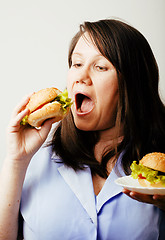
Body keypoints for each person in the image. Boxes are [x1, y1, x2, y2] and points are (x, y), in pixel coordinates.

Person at [0, 18, 165, 240]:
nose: (80, 77)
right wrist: (16, 160)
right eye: (77, 64)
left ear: (132, 84)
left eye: (100, 67)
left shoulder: (158, 170)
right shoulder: (33, 160)